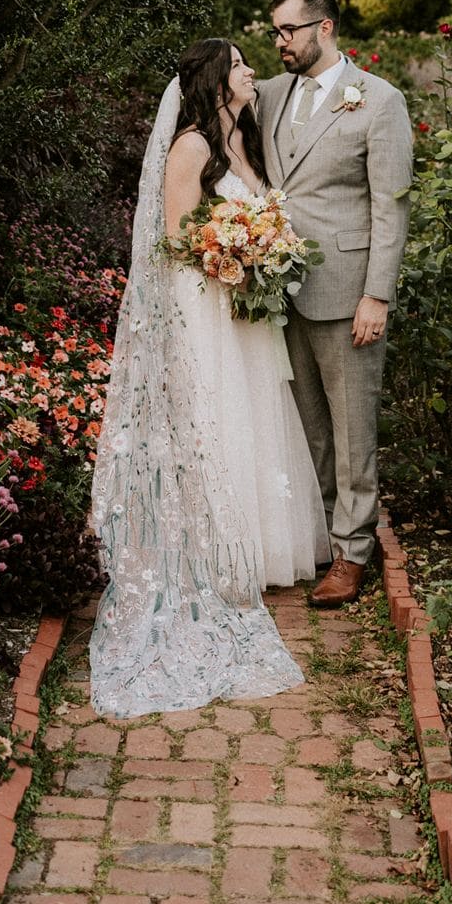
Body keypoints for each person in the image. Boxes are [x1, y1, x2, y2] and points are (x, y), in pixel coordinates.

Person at [89, 38, 328, 717]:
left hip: (244, 306)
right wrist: (230, 254)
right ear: (216, 81)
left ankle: (260, 551)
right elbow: (170, 240)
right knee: (217, 415)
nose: (252, 71)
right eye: (241, 64)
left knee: (255, 413)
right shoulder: (191, 148)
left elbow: (253, 212)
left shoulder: (241, 145)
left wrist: (261, 248)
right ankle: (220, 555)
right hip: (207, 306)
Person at [256, 0, 412, 606]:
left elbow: (390, 206)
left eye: (288, 32)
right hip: (278, 292)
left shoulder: (379, 101)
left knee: (352, 431)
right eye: (275, 32)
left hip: (348, 292)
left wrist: (377, 295)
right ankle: (325, 537)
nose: (279, 43)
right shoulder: (268, 95)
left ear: (324, 29)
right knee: (310, 430)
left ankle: (353, 554)